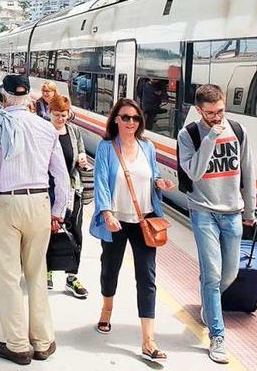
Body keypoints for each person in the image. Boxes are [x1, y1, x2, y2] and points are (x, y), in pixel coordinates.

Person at [0, 75, 70, 366]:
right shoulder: (46, 127)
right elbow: (62, 175)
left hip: (6, 202)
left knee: (7, 276)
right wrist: (58, 210)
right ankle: (42, 341)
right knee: (36, 273)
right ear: (28, 96)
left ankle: (17, 345)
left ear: (3, 95)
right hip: (39, 203)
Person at [90, 98, 175, 361]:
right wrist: (106, 212)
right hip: (116, 221)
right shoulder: (106, 148)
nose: (130, 122)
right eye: (125, 117)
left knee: (147, 278)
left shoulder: (147, 147)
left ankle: (148, 340)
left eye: (135, 118)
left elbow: (153, 176)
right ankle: (106, 309)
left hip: (144, 221)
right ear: (115, 119)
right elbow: (101, 181)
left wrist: (161, 183)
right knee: (110, 269)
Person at [178, 84, 256, 365]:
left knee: (229, 274)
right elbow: (196, 172)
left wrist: (250, 208)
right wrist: (211, 136)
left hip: (233, 212)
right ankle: (217, 336)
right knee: (211, 276)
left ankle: (208, 305)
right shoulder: (188, 135)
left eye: (220, 111)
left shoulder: (238, 130)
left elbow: (248, 170)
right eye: (210, 113)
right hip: (203, 212)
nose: (217, 117)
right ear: (199, 110)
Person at [45, 96, 89, 298]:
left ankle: (72, 276)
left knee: (75, 232)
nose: (60, 119)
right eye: (56, 115)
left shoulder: (74, 132)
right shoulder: (43, 131)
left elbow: (81, 153)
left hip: (73, 189)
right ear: (49, 112)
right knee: (48, 231)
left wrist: (82, 159)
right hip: (48, 190)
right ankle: (47, 270)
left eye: (64, 115)